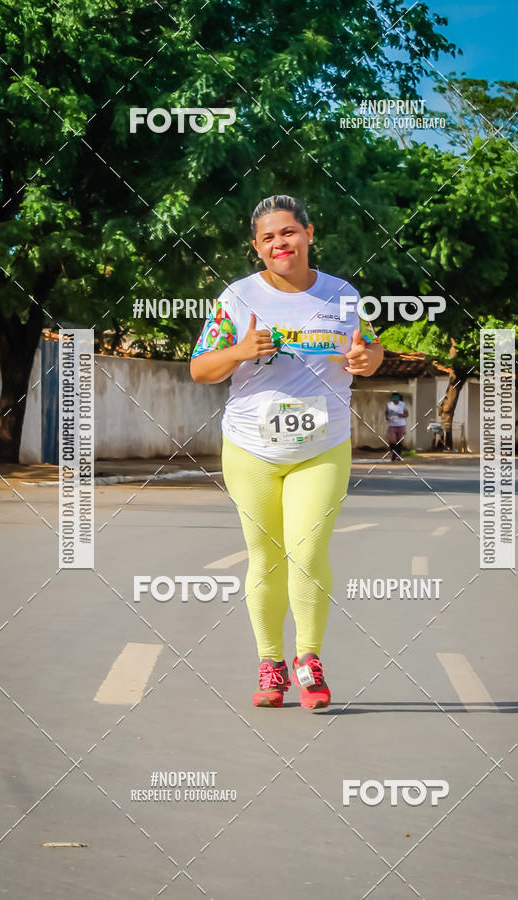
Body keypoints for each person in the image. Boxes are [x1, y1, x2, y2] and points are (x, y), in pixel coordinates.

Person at [190, 195, 383, 710]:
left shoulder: (343, 295)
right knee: (265, 558)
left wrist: (368, 358)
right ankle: (270, 663)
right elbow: (201, 368)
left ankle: (308, 659)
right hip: (251, 447)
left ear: (309, 234)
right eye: (269, 237)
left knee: (308, 550)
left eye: (289, 232)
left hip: (322, 447)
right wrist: (237, 351)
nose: (281, 243)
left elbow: (369, 347)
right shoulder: (236, 298)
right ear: (257, 248)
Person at [385, 391, 409, 461]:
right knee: (392, 440)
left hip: (401, 425)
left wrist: (400, 415)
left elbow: (406, 414)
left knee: (400, 440)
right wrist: (387, 417)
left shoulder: (402, 405)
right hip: (392, 425)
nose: (395, 400)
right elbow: (386, 412)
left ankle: (398, 454)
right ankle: (394, 453)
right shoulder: (389, 404)